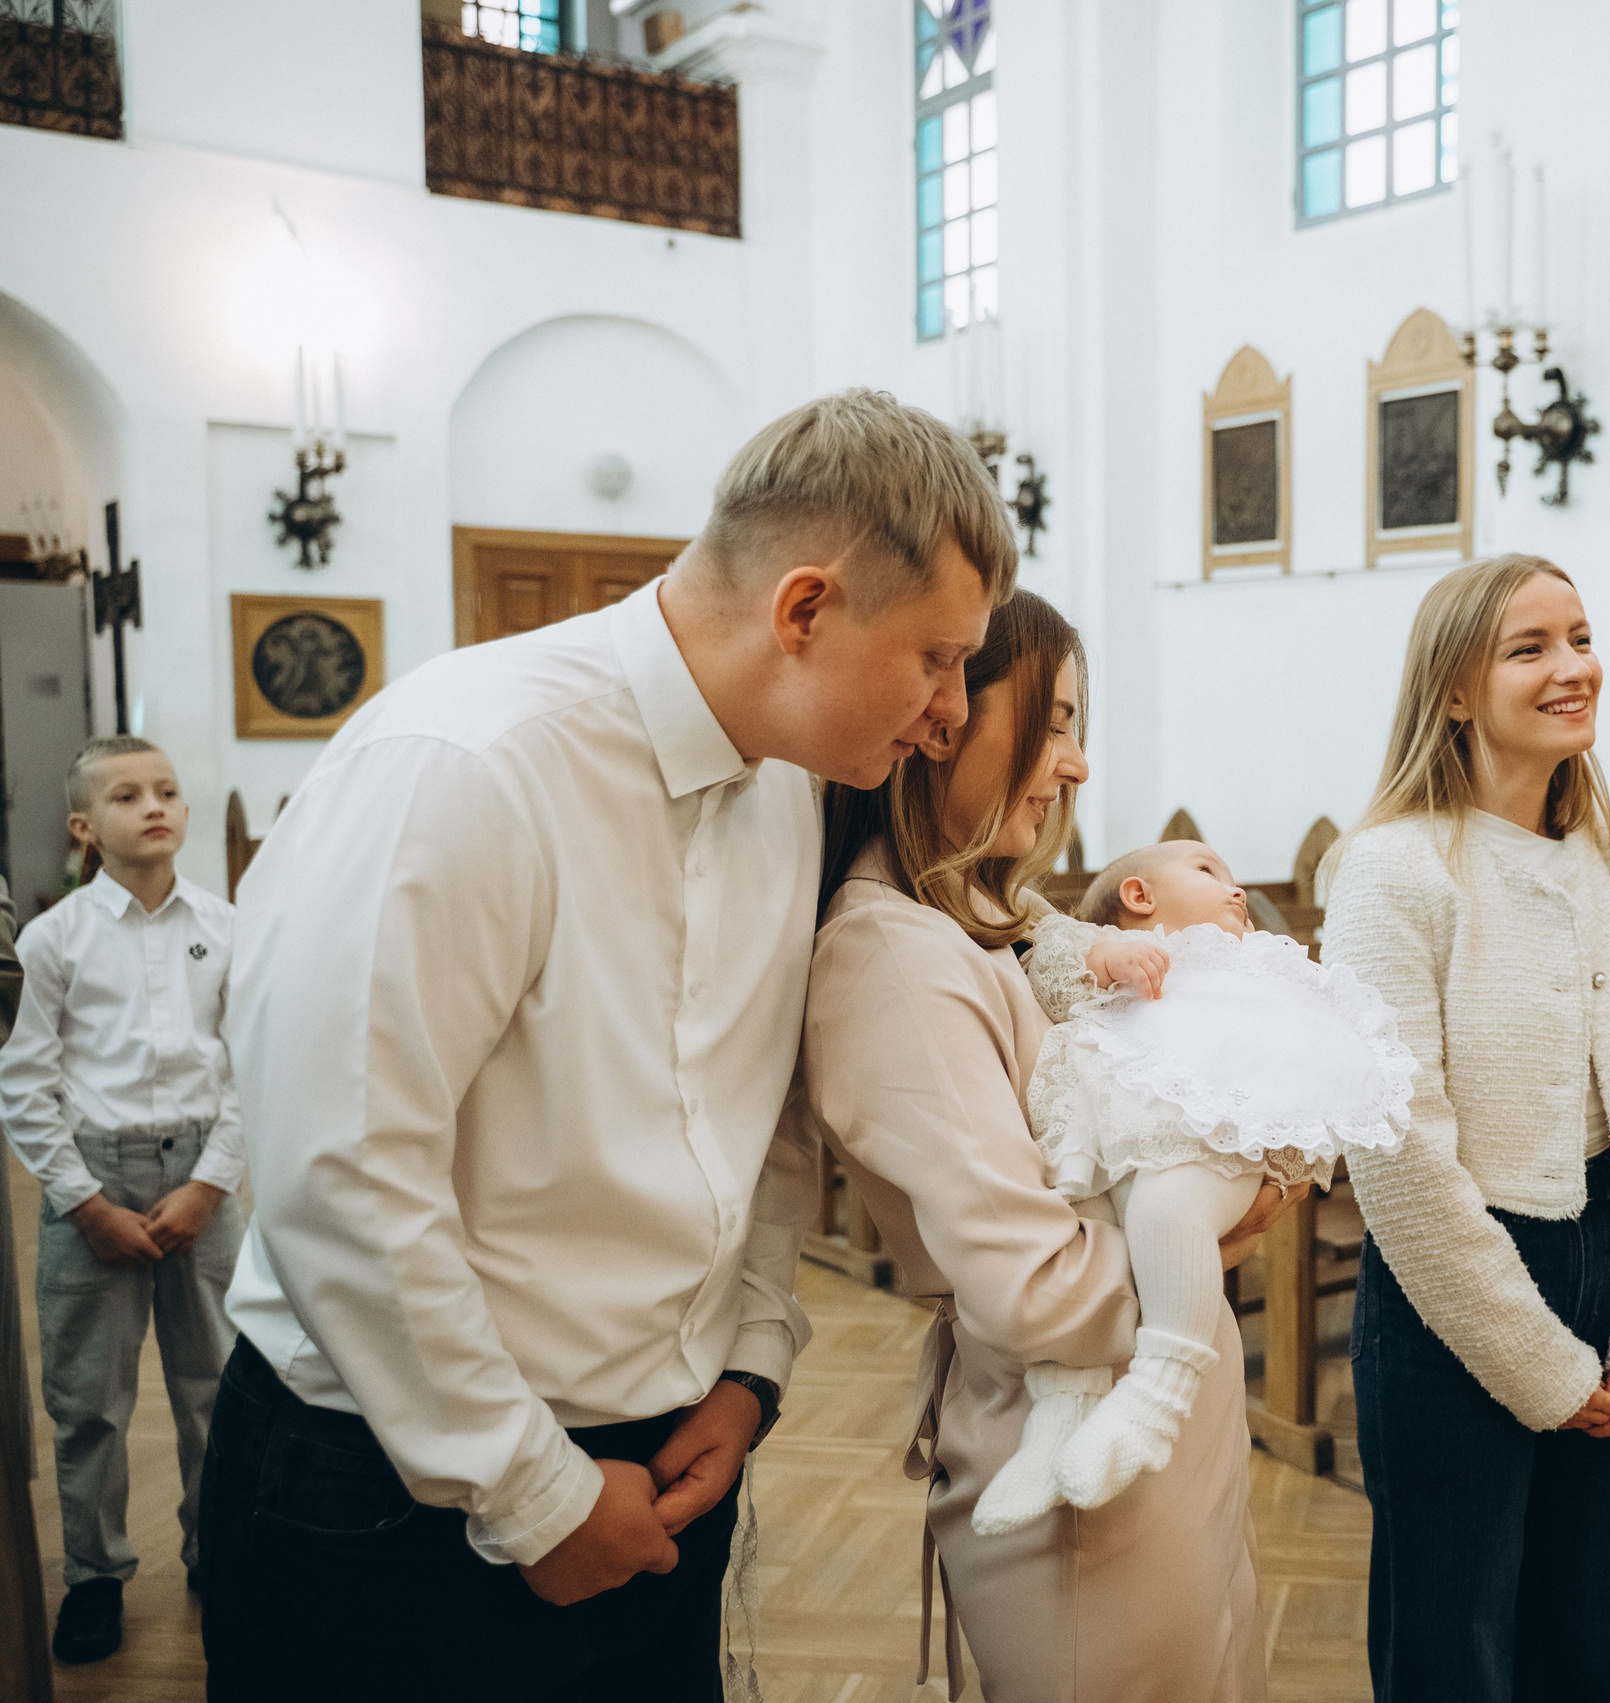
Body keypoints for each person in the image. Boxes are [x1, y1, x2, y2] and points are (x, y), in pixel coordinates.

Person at [197, 388, 1015, 1702]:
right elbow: (338, 1170)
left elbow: (764, 1113)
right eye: (937, 656)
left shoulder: (794, 783)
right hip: (389, 1485)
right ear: (804, 608)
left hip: (661, 1463)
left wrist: (749, 1364)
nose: (953, 711)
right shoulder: (466, 761)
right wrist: (533, 1490)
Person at [796, 592, 1286, 1701]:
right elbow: (1035, 1288)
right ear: (942, 713)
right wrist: (1220, 1231)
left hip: (1152, 1420)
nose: (1074, 764)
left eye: (1076, 727)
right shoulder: (890, 955)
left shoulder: (989, 919)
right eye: (1052, 721)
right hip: (1074, 1467)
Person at [1320, 553, 1610, 1703]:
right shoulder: (1392, 871)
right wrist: (1541, 1363)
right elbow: (1397, 1157)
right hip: (1455, 1286)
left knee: (1589, 1639)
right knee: (1454, 1649)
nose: (1572, 667)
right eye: (1529, 648)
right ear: (1453, 689)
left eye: (1579, 637)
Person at [971, 838, 1413, 1533]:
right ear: (1139, 896)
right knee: (1073, 1218)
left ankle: (1159, 1391)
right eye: (1209, 871)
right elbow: (1050, 971)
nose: (1237, 889)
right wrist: (1106, 958)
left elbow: (1298, 1046)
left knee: (1168, 1205)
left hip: (1211, 1143)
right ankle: (1060, 1408)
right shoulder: (1108, 950)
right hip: (1108, 1138)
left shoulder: (1246, 963)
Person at [0, 737, 246, 1664]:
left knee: (215, 1388)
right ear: (83, 826)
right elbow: (25, 1081)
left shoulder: (227, 927)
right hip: (92, 1181)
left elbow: (249, 1065)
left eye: (168, 791)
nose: (155, 806)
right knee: (89, 1400)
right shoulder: (52, 939)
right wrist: (84, 1203)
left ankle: (216, 1552)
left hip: (202, 1178)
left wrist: (210, 1183)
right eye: (128, 795)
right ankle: (95, 1574)